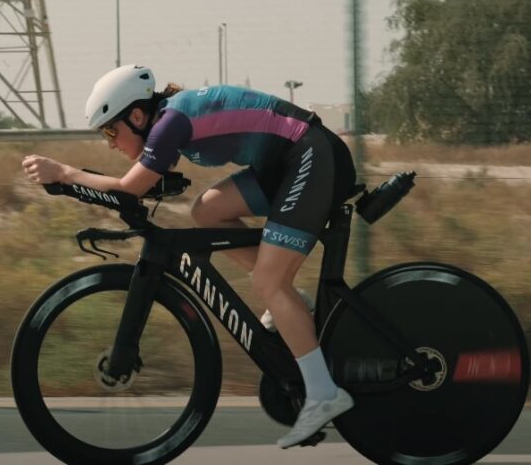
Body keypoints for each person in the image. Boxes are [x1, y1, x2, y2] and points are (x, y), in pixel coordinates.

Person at [22, 64, 356, 448]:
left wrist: (65, 172)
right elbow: (143, 185)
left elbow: (130, 188)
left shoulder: (169, 124)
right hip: (284, 162)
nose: (110, 143)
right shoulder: (167, 122)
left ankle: (323, 393)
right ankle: (291, 302)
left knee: (268, 281)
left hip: (311, 156)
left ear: (136, 115)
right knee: (206, 212)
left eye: (111, 131)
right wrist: (71, 182)